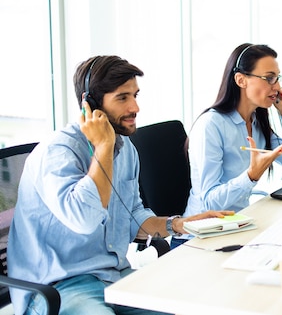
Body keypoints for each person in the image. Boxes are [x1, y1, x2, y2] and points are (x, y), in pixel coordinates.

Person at [8, 55, 233, 315]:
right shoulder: (58, 152)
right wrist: (103, 146)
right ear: (90, 104)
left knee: (193, 306)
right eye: (122, 97)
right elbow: (85, 219)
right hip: (60, 289)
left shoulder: (125, 149)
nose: (135, 107)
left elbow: (132, 216)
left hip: (114, 277)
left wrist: (181, 224)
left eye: (135, 95)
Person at [184, 43, 282, 215]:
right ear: (241, 80)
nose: (278, 87)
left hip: (239, 222)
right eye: (269, 78)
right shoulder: (211, 125)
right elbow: (210, 203)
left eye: (278, 78)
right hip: (202, 233)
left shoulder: (257, 122)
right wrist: (251, 176)